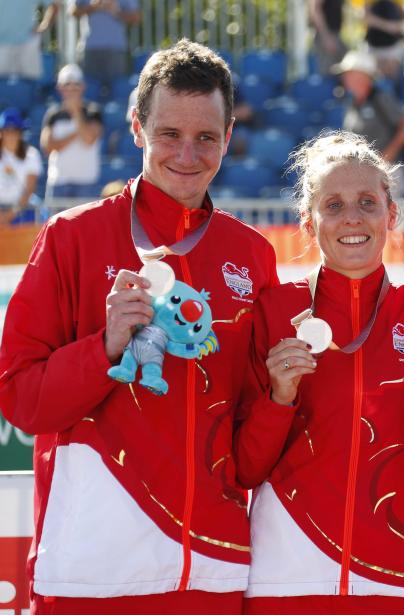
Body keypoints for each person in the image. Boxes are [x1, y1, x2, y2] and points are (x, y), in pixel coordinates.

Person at [0, 40, 280, 613]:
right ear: (136, 129)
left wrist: (282, 396)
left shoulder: (251, 255)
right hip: (93, 573)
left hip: (212, 569)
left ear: (228, 137)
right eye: (169, 134)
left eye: (206, 137)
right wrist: (103, 347)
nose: (187, 153)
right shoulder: (72, 238)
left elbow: (250, 437)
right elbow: (20, 399)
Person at [238, 131, 404, 614]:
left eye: (368, 202)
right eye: (334, 204)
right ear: (308, 223)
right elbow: (243, 467)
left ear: (391, 216)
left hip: (397, 577)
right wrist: (279, 397)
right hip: (287, 576)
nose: (352, 216)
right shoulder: (272, 310)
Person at [336, 51, 404, 164]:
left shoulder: (381, 98)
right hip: (363, 169)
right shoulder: (350, 102)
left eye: (351, 74)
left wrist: (388, 154)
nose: (345, 78)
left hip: (387, 170)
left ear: (365, 77)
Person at [41, 63, 103, 199]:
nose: (71, 89)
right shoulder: (52, 114)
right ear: (60, 88)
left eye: (75, 85)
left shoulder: (93, 111)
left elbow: (88, 140)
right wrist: (76, 133)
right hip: (58, 183)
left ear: (83, 87)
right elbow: (48, 147)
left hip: (86, 183)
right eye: (67, 85)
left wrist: (75, 112)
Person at [69, 0, 142, 88]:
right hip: (89, 49)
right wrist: (94, 6)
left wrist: (116, 11)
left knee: (117, 91)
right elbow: (73, 12)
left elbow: (136, 17)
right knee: (89, 90)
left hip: (116, 50)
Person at [0, 107, 43, 224]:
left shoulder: (32, 154)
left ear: (20, 133)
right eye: (6, 130)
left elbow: (30, 189)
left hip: (23, 211)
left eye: (14, 130)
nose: (10, 134)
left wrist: (9, 215)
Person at [0, 0, 58, 79]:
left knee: (31, 83)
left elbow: (54, 5)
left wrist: (44, 26)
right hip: (2, 44)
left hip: (28, 43)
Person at [364, 0, 404, 80]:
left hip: (393, 46)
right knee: (378, 79)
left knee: (394, 79)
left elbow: (402, 17)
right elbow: (367, 18)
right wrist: (388, 26)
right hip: (375, 45)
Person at [309, 0, 346, 75]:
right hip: (326, 35)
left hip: (335, 35)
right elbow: (316, 10)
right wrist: (326, 37)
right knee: (328, 74)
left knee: (342, 70)